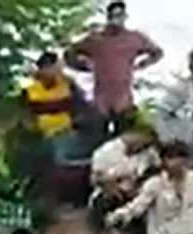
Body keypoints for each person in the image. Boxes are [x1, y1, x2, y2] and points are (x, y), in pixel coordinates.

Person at [65, 1, 162, 136]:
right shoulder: (96, 39)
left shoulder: (134, 38)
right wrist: (82, 66)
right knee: (97, 136)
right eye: (114, 15)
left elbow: (157, 52)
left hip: (123, 97)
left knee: (124, 137)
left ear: (125, 17)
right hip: (101, 97)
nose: (118, 19)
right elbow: (69, 53)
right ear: (108, 17)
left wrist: (142, 64)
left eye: (121, 15)